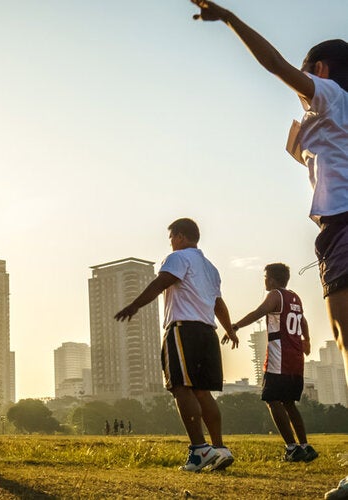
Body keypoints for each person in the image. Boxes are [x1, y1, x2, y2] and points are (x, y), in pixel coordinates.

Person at [189, 0, 348, 493]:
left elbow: (275, 66)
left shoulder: (331, 93)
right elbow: (295, 148)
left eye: (308, 76)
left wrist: (232, 20)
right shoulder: (332, 116)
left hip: (343, 228)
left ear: (319, 71)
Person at [115, 218, 238, 472]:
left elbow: (161, 282)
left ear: (181, 237)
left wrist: (134, 305)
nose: (170, 242)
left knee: (181, 387)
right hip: (208, 331)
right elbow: (218, 304)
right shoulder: (211, 268)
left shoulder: (178, 258)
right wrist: (229, 329)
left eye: (171, 237)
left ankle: (199, 450)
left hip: (184, 329)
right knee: (203, 392)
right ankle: (219, 449)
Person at [231, 263, 318, 462]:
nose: (264, 281)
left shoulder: (275, 295)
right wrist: (307, 340)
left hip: (280, 358)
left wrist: (235, 325)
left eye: (265, 277)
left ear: (270, 279)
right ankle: (305, 446)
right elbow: (303, 321)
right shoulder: (295, 297)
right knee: (289, 403)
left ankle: (291, 447)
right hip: (295, 359)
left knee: (272, 400)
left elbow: (259, 312)